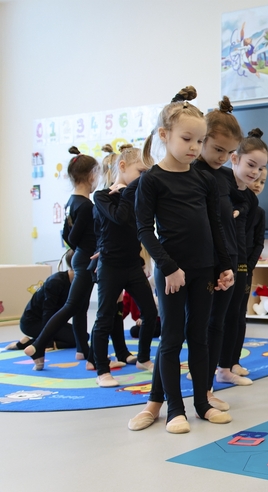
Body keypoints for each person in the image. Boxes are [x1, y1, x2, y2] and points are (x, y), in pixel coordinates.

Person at [129, 86, 234, 434]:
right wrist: (169, 268)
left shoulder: (203, 179)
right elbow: (144, 231)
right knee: (172, 339)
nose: (193, 147)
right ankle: (174, 409)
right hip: (172, 272)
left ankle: (202, 403)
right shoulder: (152, 181)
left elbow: (215, 226)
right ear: (165, 135)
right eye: (187, 139)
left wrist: (224, 266)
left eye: (198, 141)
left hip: (204, 269)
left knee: (200, 336)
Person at [190, 96, 250, 415]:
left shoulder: (225, 176)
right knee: (197, 329)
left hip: (228, 262)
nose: (222, 158)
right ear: (203, 140)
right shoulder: (192, 174)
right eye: (217, 150)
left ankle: (210, 386)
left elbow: (226, 216)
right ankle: (199, 389)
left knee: (218, 325)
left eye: (229, 153)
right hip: (204, 265)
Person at [25, 147, 100, 370]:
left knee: (79, 307)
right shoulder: (86, 205)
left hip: (80, 257)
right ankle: (38, 345)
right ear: (91, 175)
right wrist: (88, 251)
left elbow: (66, 235)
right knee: (72, 306)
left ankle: (82, 350)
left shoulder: (72, 201)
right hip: (85, 259)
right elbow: (74, 236)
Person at [90, 144, 158, 387]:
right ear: (122, 167)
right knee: (105, 317)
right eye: (141, 172)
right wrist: (128, 192)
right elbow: (120, 217)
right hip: (110, 266)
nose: (143, 179)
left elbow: (138, 226)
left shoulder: (134, 196)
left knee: (150, 313)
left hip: (132, 266)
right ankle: (102, 370)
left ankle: (142, 357)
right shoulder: (100, 196)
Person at [218, 129, 268, 389]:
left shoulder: (250, 200)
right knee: (215, 319)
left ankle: (226, 365)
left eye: (260, 169)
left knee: (236, 315)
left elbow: (252, 240)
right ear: (234, 159)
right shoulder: (218, 182)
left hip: (238, 264)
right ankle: (212, 366)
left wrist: (245, 266)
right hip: (219, 263)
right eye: (251, 165)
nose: (255, 174)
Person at [4, 250, 76, 352]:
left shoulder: (78, 284)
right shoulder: (55, 282)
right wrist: (48, 342)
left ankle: (29, 342)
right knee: (73, 340)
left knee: (83, 336)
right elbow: (48, 312)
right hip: (32, 322)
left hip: (52, 320)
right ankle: (34, 343)